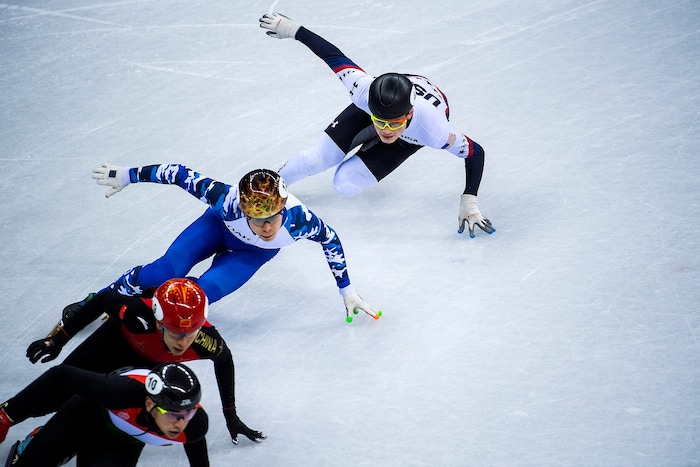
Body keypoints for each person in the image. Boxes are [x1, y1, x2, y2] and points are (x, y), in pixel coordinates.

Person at [258, 13, 496, 239]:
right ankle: (273, 184)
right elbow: (332, 55)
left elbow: (476, 152)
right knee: (319, 159)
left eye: (395, 124)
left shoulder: (434, 130)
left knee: (345, 184)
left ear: (409, 113)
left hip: (412, 133)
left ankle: (379, 135)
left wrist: (469, 200)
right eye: (380, 122)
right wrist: (291, 29)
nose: (386, 130)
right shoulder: (362, 88)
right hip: (378, 109)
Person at [89, 164, 380, 323]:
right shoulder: (225, 200)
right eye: (257, 219)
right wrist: (128, 176)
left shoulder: (300, 219)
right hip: (216, 228)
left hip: (250, 255)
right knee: (162, 271)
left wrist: (347, 290)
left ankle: (146, 304)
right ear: (242, 210)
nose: (267, 227)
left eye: (273, 218)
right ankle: (100, 299)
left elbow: (331, 240)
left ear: (283, 210)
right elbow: (177, 173)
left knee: (196, 300)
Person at [0, 278, 263, 446]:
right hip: (111, 342)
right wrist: (58, 340)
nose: (182, 342)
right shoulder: (139, 314)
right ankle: (4, 417)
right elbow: (101, 301)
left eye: (189, 334)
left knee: (97, 409)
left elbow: (225, 362)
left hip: (147, 367)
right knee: (58, 392)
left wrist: (231, 415)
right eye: (174, 333)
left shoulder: (206, 340)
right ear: (158, 323)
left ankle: (43, 440)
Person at [2, 362, 209, 467]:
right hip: (86, 414)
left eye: (188, 413)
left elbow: (195, 438)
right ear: (149, 403)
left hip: (121, 443)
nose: (181, 423)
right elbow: (60, 375)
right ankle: (40, 438)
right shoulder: (121, 392)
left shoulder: (195, 423)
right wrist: (7, 416)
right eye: (173, 415)